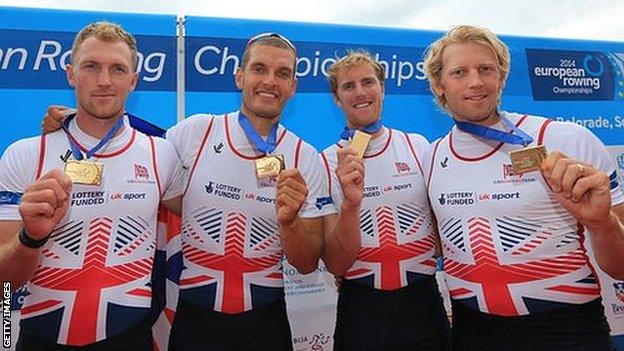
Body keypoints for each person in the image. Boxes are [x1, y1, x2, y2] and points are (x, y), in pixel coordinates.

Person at [423, 25, 624, 351]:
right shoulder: (430, 157)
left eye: (486, 69)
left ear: (501, 78)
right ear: (438, 86)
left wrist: (601, 223)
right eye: (460, 72)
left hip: (566, 330)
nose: (476, 82)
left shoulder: (565, 139)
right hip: (473, 331)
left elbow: (620, 266)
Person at [0, 22, 181, 351]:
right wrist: (31, 237)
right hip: (41, 340)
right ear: (71, 73)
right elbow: (4, 284)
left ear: (134, 81)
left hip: (131, 340)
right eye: (91, 66)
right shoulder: (25, 155)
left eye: (117, 69)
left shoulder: (162, 153)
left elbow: (201, 208)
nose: (104, 81)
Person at [321, 51, 451, 351]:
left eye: (368, 82)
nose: (361, 92)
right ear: (337, 99)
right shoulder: (325, 160)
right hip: (361, 307)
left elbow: (442, 226)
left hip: (423, 303)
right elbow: (333, 262)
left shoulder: (417, 145)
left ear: (383, 89)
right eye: (348, 86)